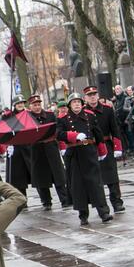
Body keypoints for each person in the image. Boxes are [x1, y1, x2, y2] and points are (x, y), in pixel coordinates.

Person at [56, 92, 113, 225]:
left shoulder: (90, 116)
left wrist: (102, 149)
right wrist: (72, 135)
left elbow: (98, 133)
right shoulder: (63, 119)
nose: (76, 104)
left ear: (82, 104)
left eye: (78, 102)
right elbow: (59, 134)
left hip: (89, 151)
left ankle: (103, 212)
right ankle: (83, 215)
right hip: (74, 154)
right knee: (78, 185)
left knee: (95, 183)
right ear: (70, 105)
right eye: (73, 102)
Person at [84, 86, 124, 213]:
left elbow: (115, 129)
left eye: (94, 94)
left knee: (112, 176)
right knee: (96, 179)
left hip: (106, 144)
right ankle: (101, 205)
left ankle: (117, 202)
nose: (92, 97)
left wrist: (117, 147)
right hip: (91, 147)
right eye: (89, 95)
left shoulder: (107, 110)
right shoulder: (83, 113)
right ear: (85, 98)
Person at [28, 95, 70, 209]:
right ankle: (46, 201)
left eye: (38, 104)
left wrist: (62, 147)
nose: (37, 107)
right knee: (41, 176)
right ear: (30, 106)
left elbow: (57, 130)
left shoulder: (50, 115)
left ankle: (64, 199)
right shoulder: (27, 118)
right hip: (36, 149)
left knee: (58, 175)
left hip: (50, 147)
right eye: (34, 105)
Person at [4, 95, 32, 199]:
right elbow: (4, 131)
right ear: (14, 105)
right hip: (15, 147)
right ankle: (22, 199)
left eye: (22, 103)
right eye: (18, 103)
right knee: (18, 177)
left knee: (34, 173)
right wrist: (9, 143)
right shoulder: (9, 116)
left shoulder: (29, 114)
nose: (20, 105)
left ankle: (45, 198)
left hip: (28, 146)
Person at [123, 87, 134, 156]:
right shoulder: (126, 99)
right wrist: (129, 109)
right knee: (133, 134)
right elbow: (124, 108)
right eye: (128, 91)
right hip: (131, 118)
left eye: (130, 90)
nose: (130, 92)